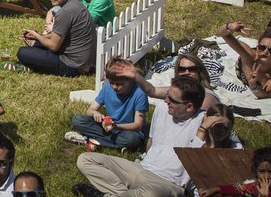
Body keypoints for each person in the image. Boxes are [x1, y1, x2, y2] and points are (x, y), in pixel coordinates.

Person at [76, 76, 207, 197]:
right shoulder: (162, 108)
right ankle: (121, 194)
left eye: (172, 100)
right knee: (85, 159)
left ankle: (107, 194)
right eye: (167, 96)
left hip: (168, 183)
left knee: (150, 194)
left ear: (189, 106)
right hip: (141, 168)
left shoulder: (202, 122)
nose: (166, 100)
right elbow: (151, 141)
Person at [15, 0, 96, 76]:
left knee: (22, 52)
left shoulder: (65, 12)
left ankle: (30, 64)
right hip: (85, 61)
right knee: (37, 44)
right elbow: (61, 34)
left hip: (73, 66)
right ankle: (34, 48)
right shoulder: (76, 4)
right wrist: (39, 37)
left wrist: (38, 36)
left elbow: (54, 47)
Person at [65, 57, 149, 151]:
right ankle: (117, 145)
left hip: (128, 130)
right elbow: (90, 110)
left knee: (133, 139)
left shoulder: (139, 93)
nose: (114, 87)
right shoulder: (107, 88)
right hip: (108, 127)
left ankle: (87, 139)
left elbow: (138, 125)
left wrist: (117, 126)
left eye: (118, 84)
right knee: (77, 119)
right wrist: (95, 113)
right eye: (111, 83)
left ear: (129, 80)